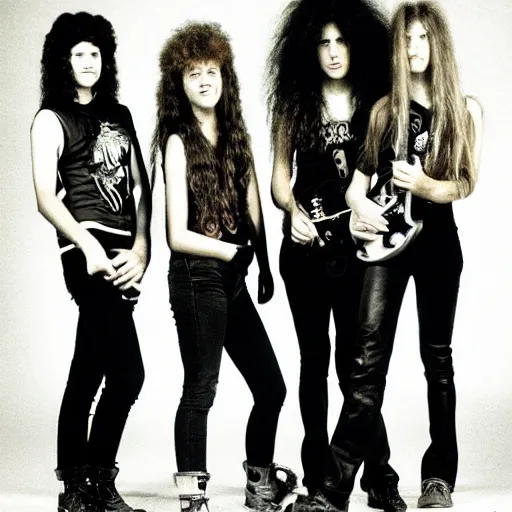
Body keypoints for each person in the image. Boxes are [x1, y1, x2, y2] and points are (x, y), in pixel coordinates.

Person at [327, 1, 483, 509]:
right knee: (366, 362)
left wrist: (426, 184)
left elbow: (466, 183)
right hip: (388, 245)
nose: (414, 47)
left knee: (438, 361)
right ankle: (334, 487)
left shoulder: (464, 109)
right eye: (406, 39)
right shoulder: (384, 111)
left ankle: (439, 478)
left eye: (422, 37)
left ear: (437, 42)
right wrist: (356, 210)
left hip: (439, 244)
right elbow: (356, 186)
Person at [150, 21, 297, 512]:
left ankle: (259, 485)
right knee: (201, 387)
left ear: (224, 76)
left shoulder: (236, 134)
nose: (205, 80)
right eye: (193, 74)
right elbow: (176, 235)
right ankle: (193, 496)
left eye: (212, 71)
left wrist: (264, 263)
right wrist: (232, 253)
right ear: (180, 84)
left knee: (271, 388)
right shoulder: (176, 142)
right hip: (197, 277)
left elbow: (253, 202)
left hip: (233, 276)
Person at [266, 1, 406, 511]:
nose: (331, 52)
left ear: (356, 44)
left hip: (359, 251)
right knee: (313, 363)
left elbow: (385, 179)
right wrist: (291, 209)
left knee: (357, 366)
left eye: (340, 41)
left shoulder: (376, 103)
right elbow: (280, 178)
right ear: (309, 48)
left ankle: (379, 476)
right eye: (322, 42)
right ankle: (317, 473)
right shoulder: (294, 105)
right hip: (305, 252)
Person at [30, 12, 151, 512]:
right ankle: (87, 483)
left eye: (95, 53)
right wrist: (89, 247)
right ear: (62, 60)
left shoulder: (119, 115)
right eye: (78, 53)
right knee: (127, 373)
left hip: (124, 250)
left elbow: (142, 189)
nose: (87, 61)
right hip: (86, 250)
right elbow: (44, 197)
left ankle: (84, 487)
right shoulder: (50, 118)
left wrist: (142, 249)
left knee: (91, 367)